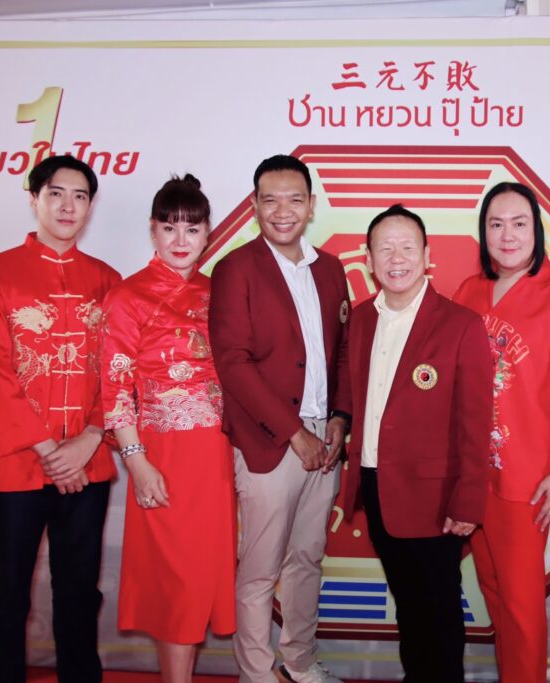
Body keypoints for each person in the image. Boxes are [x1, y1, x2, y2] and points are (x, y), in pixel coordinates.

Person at [0, 155, 120, 683]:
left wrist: (90, 438)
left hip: (89, 463)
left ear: (90, 206)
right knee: (6, 595)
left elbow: (119, 372)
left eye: (80, 196)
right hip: (18, 465)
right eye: (56, 193)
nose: (67, 206)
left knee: (79, 594)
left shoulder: (107, 280)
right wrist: (52, 452)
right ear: (34, 198)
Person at [451, 182, 550, 683]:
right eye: (496, 225)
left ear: (536, 229)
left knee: (520, 605)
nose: (508, 235)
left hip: (528, 480)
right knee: (493, 592)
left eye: (519, 224)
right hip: (474, 475)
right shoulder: (470, 292)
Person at [208, 155, 350, 683]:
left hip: (324, 439)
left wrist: (340, 418)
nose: (282, 211)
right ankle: (256, 673)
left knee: (307, 560)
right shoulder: (236, 269)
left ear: (311, 206)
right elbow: (233, 363)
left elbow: (343, 352)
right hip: (269, 441)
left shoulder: (330, 269)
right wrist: (293, 434)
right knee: (260, 569)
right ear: (254, 206)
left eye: (294, 199)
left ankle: (300, 663)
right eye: (270, 200)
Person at [343, 204, 491, 683]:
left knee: (439, 614)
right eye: (385, 248)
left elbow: (475, 422)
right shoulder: (361, 320)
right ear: (368, 259)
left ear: (427, 256)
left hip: (435, 497)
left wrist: (468, 499)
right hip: (376, 485)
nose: (396, 258)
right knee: (408, 607)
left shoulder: (461, 324)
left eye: (407, 247)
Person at [100, 175, 235, 683]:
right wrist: (137, 462)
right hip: (162, 455)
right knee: (174, 578)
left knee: (199, 577)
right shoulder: (127, 297)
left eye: (192, 229)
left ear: (208, 234)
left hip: (216, 457)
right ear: (152, 231)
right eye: (169, 227)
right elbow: (114, 389)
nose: (181, 240)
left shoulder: (219, 292)